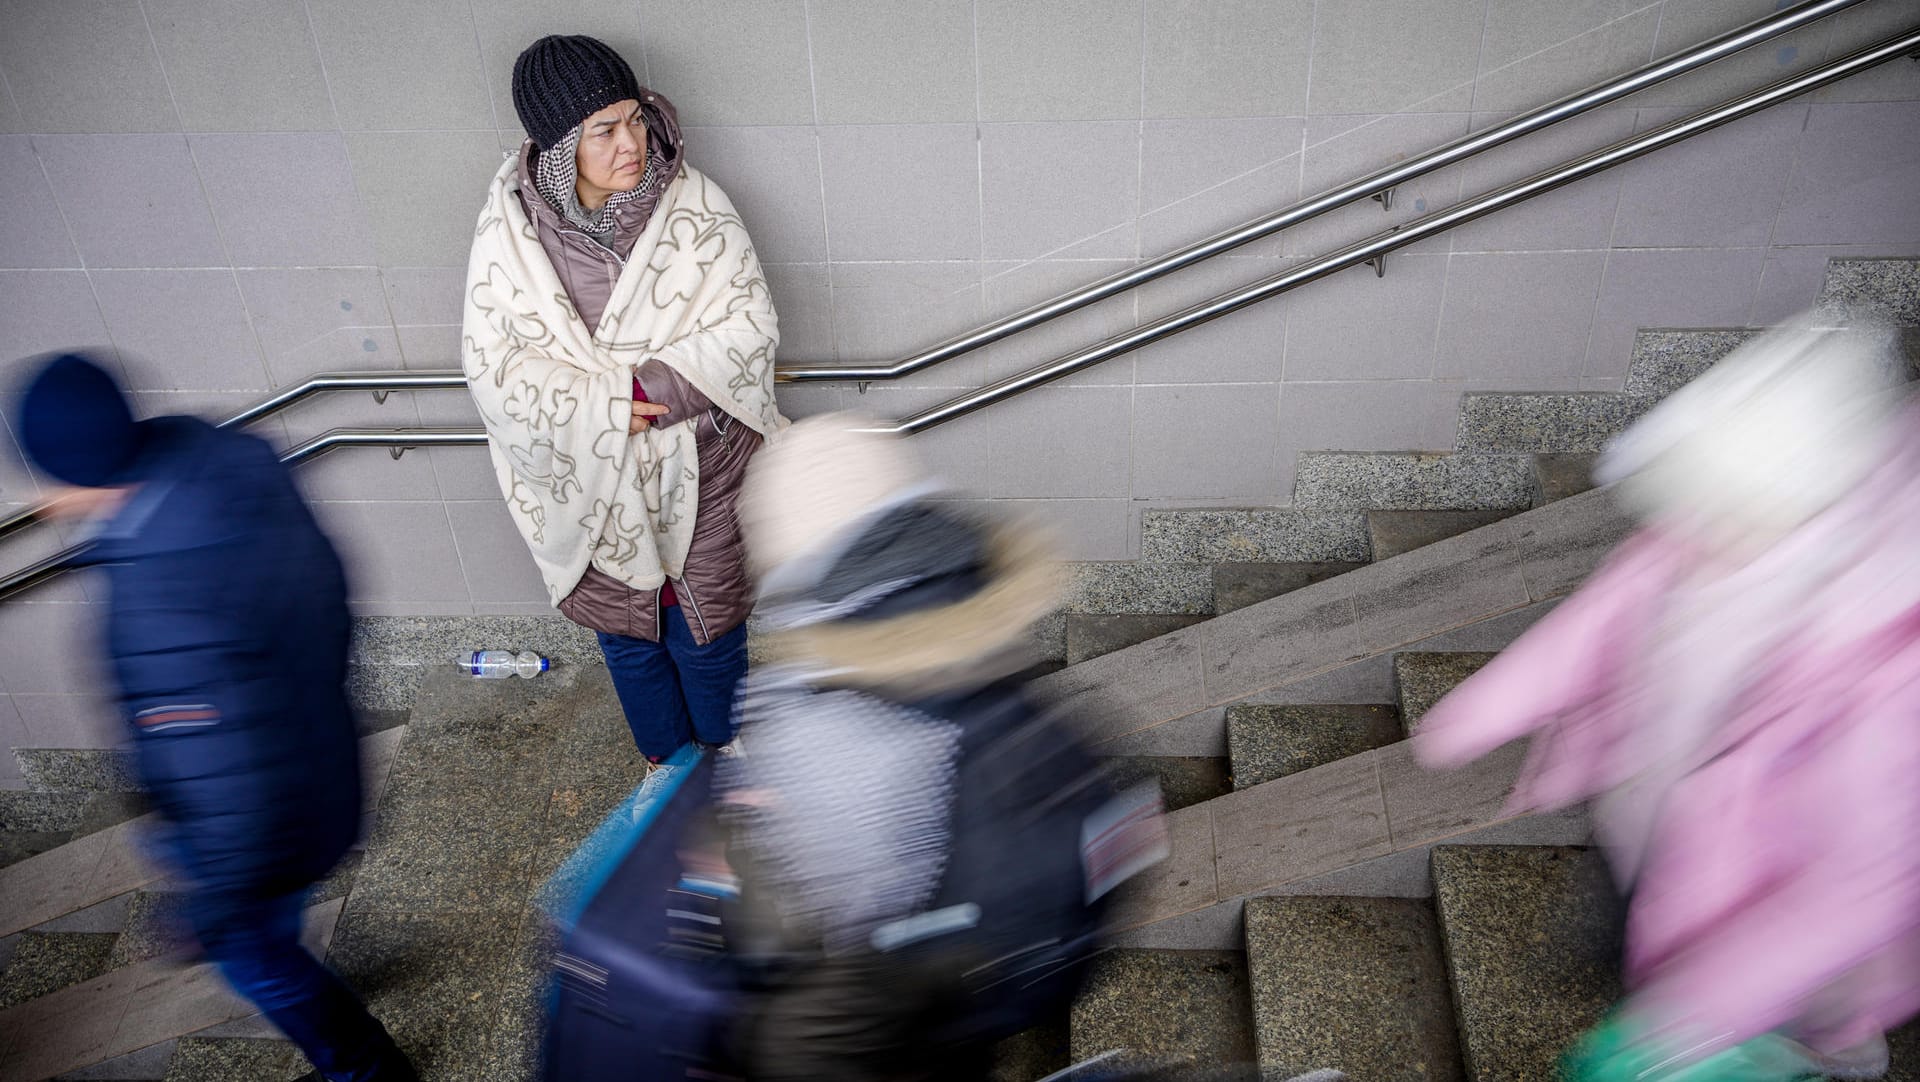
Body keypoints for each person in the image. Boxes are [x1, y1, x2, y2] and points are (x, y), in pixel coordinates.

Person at [1413, 320, 1920, 1082]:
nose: (1695, 535)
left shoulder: (1885, 673)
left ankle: (1837, 1046)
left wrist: (1692, 1015)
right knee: (1631, 932)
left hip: (1765, 919)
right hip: (1655, 830)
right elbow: (1598, 625)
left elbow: (1854, 891)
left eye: (1723, 519)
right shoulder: (1709, 532)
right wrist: (1480, 711)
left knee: (1801, 1009)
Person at [717, 414, 1172, 1081]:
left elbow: (807, 907)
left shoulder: (813, 712)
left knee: (783, 1045)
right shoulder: (975, 592)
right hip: (1031, 949)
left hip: (923, 975)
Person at [11, 353, 415, 1082]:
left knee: (254, 957)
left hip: (261, 820)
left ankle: (365, 1068)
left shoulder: (160, 602)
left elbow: (229, 785)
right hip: (316, 753)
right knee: (276, 921)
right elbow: (330, 604)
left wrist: (209, 908)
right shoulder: (228, 463)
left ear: (77, 470)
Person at [463, 34, 785, 761]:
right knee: (631, 636)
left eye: (635, 119)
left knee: (709, 630)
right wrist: (603, 407)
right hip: (589, 480)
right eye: (603, 131)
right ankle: (666, 770)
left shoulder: (695, 205)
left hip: (703, 468)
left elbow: (750, 325)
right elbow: (493, 367)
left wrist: (647, 389)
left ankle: (727, 758)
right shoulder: (510, 234)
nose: (631, 142)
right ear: (558, 147)